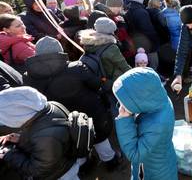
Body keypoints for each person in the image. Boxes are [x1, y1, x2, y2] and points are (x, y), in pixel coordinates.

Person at [23, 36, 122, 171]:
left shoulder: (28, 77)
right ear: (60, 50)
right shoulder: (76, 67)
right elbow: (96, 84)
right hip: (91, 112)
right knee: (99, 139)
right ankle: (110, 162)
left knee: (76, 143)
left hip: (62, 118)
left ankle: (85, 166)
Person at [0, 86, 78, 180]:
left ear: (17, 115)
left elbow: (39, 170)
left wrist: (8, 154)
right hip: (64, 157)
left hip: (62, 173)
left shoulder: (45, 137)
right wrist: (21, 138)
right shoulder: (48, 107)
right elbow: (40, 132)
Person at [113, 67, 178, 180]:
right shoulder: (159, 100)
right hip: (160, 160)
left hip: (156, 172)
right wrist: (129, 105)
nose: (121, 105)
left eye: (125, 102)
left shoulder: (158, 125)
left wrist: (124, 120)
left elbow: (135, 154)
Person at [79, 17, 131, 84]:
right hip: (113, 81)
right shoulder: (111, 48)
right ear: (110, 31)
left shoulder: (88, 42)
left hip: (97, 79)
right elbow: (124, 66)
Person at [125, 0, 160, 70]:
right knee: (153, 66)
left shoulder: (129, 9)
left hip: (137, 44)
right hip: (148, 45)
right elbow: (148, 30)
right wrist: (156, 42)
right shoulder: (140, 12)